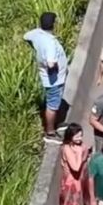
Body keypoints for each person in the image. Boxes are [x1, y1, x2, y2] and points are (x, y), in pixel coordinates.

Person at [24, 12, 70, 144]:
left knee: (54, 103)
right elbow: (50, 63)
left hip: (51, 78)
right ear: (54, 24)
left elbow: (25, 36)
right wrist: (53, 66)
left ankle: (56, 122)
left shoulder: (37, 34)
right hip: (54, 80)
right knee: (52, 106)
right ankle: (50, 132)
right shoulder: (50, 43)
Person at [59, 124, 91, 205]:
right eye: (77, 136)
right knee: (72, 204)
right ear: (70, 136)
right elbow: (76, 167)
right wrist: (81, 154)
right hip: (72, 181)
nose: (80, 138)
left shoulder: (78, 146)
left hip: (80, 178)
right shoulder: (68, 149)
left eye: (81, 136)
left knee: (80, 200)